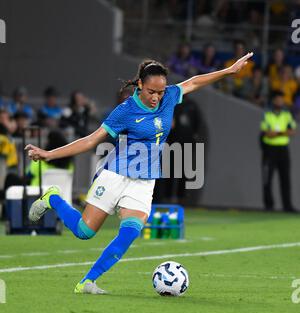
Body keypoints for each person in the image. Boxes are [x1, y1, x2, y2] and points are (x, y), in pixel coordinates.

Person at [25, 53, 253, 294]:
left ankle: (87, 282)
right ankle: (52, 198)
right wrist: (49, 154)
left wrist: (228, 71)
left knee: (131, 231)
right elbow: (91, 141)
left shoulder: (169, 97)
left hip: (144, 181)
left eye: (161, 92)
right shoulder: (125, 111)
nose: (157, 97)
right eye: (152, 92)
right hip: (115, 175)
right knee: (84, 232)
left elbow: (194, 82)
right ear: (141, 85)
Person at [260, 91, 297, 212]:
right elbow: (267, 133)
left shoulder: (287, 115)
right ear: (274, 101)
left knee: (285, 179)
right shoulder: (267, 114)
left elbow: (293, 131)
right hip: (269, 150)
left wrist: (278, 133)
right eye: (278, 99)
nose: (280, 101)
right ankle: (269, 206)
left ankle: (287, 206)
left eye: (282, 99)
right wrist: (283, 132)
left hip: (283, 150)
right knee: (267, 179)